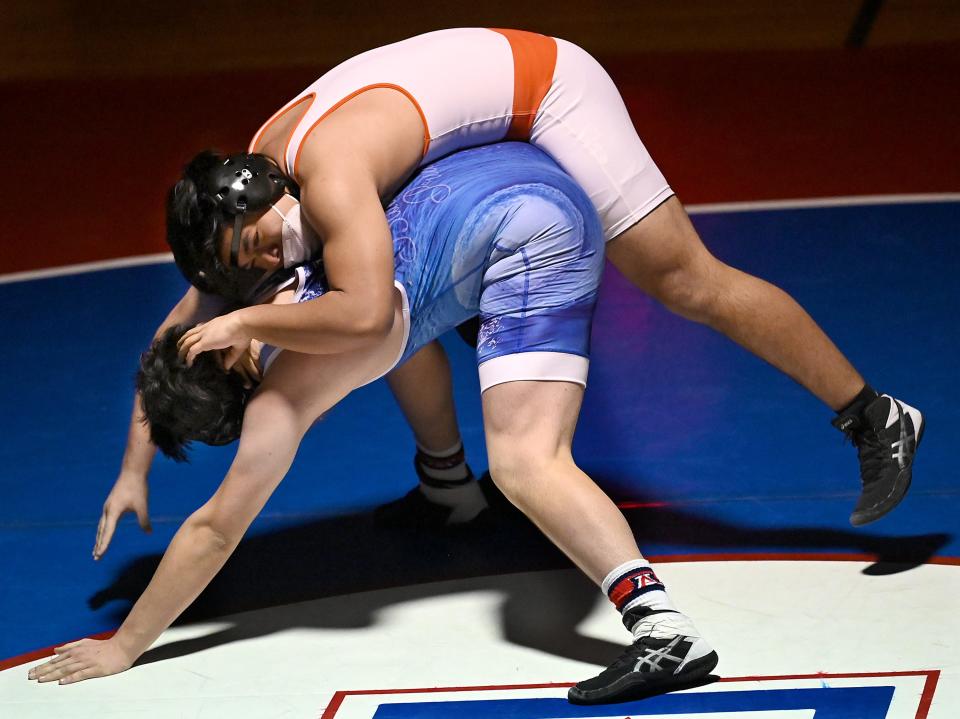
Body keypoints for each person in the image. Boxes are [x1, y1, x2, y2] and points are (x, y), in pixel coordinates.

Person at [29, 143, 718, 702]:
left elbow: (212, 530)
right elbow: (167, 347)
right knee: (397, 340)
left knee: (526, 463)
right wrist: (131, 468)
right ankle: (449, 486)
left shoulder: (274, 390)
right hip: (503, 175)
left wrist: (125, 644)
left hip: (527, 233)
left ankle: (662, 626)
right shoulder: (249, 278)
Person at [165, 28, 922, 530]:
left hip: (552, 89)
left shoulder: (328, 178)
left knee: (684, 279)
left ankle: (872, 412)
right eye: (249, 264)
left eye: (260, 247)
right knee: (375, 291)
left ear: (259, 197)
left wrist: (252, 322)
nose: (265, 262)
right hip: (471, 106)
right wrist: (137, 455)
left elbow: (361, 316)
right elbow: (184, 325)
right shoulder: (262, 187)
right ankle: (446, 480)